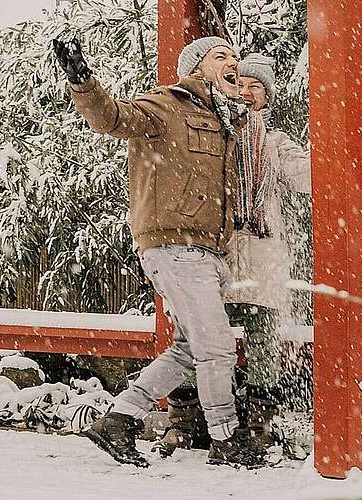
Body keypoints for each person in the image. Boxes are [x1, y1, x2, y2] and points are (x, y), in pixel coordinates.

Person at [52, 34, 265, 468]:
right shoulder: (168, 104)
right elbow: (111, 118)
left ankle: (121, 419)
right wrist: (82, 81)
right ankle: (226, 439)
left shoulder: (225, 119)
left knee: (191, 349)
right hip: (175, 245)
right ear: (195, 67)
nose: (233, 63)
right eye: (221, 56)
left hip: (207, 250)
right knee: (218, 347)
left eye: (236, 58)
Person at [152, 54, 312, 460]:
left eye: (254, 85)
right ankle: (185, 422)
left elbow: (311, 176)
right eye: (238, 82)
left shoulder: (273, 144)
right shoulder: (209, 135)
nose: (245, 91)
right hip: (210, 253)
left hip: (260, 256)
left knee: (263, 340)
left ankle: (258, 422)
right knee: (189, 335)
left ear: (267, 96)